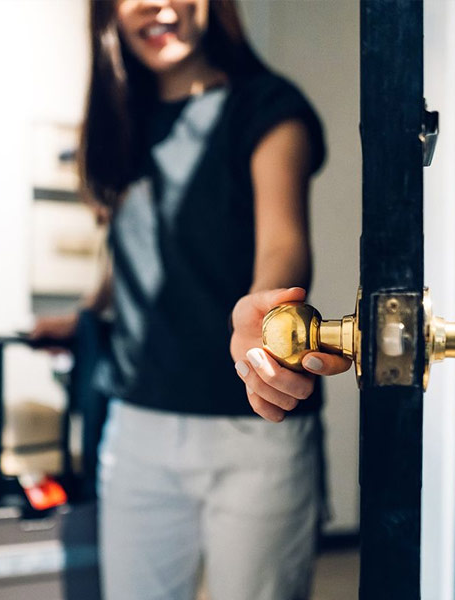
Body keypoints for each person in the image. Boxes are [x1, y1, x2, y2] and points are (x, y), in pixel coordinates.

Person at [32, 1, 351, 598]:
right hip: (138, 426)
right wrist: (84, 315)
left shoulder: (267, 107)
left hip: (253, 425)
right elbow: (132, 249)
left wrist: (262, 318)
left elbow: (282, 241)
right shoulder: (123, 121)